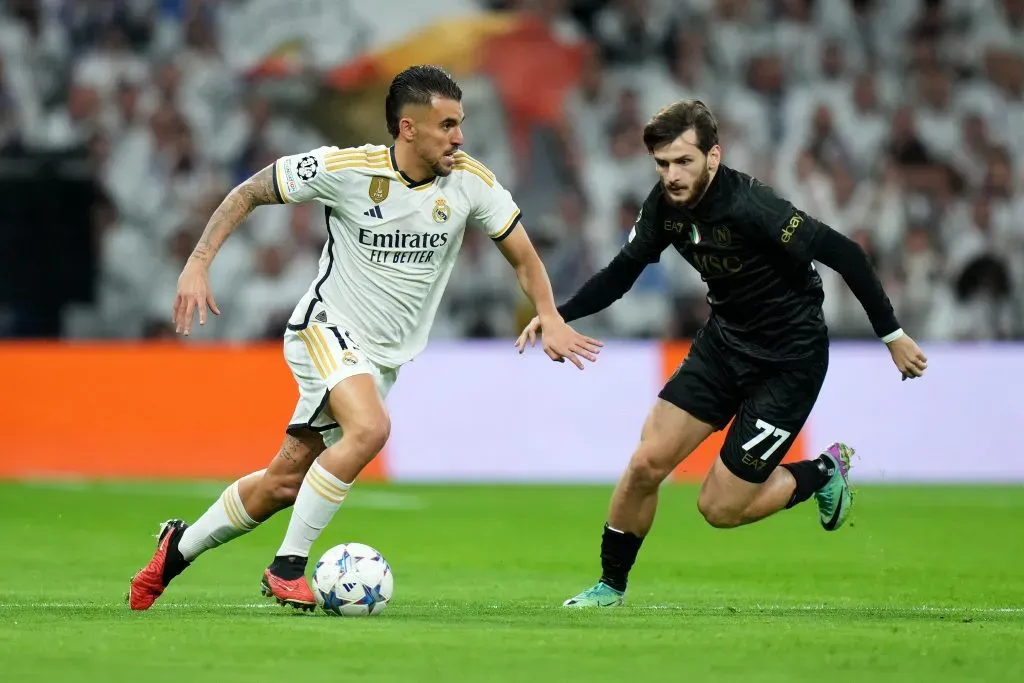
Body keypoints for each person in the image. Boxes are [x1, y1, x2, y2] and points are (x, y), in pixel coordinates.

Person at [128, 65, 602, 612]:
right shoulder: (347, 169)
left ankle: (175, 551)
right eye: (447, 125)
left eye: (460, 124)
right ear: (408, 128)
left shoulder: (471, 181)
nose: (459, 137)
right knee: (372, 429)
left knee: (283, 483)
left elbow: (523, 255)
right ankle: (286, 567)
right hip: (325, 328)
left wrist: (550, 314)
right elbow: (251, 190)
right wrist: (198, 262)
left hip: (381, 359)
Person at [515, 100, 928, 608]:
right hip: (724, 346)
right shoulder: (664, 208)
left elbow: (846, 254)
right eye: (662, 164)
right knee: (646, 463)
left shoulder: (753, 205)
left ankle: (823, 472)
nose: (672, 175)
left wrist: (892, 335)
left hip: (788, 363)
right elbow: (622, 274)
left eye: (683, 161)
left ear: (713, 156)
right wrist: (557, 315)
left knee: (719, 508)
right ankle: (610, 586)